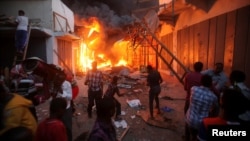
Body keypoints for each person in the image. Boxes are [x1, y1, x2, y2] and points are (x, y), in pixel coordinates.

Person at [185, 74, 219, 141]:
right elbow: (215, 110)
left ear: (201, 81)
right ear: (211, 84)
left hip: (190, 120)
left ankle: (188, 138)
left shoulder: (193, 89)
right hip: (202, 123)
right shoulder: (213, 97)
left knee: (191, 133)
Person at [56, 74, 73, 141]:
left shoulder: (67, 84)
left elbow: (70, 97)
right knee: (58, 129)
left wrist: (62, 92)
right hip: (57, 110)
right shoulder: (54, 84)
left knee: (68, 128)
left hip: (66, 110)